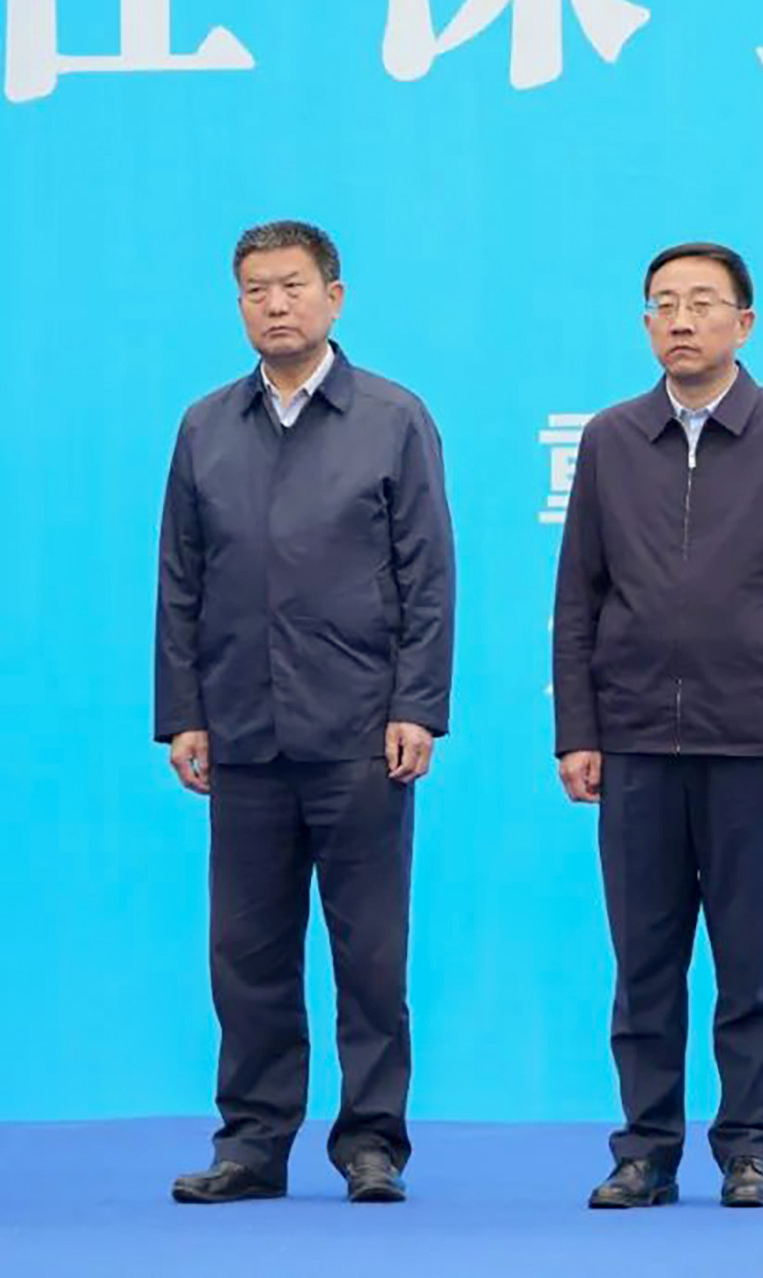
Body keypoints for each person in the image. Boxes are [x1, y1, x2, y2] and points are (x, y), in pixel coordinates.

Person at [156, 220, 455, 1205]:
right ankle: (252, 1141)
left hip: (361, 731)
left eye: (291, 285)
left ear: (335, 296)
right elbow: (180, 581)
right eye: (253, 289)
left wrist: (417, 703)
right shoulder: (205, 424)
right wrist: (183, 712)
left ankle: (372, 1141)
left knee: (369, 953)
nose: (273, 304)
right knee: (246, 952)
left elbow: (427, 574)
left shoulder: (391, 417)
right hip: (241, 728)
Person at [553, 242, 763, 1211]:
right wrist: (577, 729)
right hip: (631, 739)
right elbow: (579, 593)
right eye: (662, 303)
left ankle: (752, 1146)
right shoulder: (612, 438)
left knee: (750, 965)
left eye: (702, 304)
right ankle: (644, 1150)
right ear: (644, 324)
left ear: (744, 324)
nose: (681, 320)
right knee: (645, 963)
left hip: (752, 742)